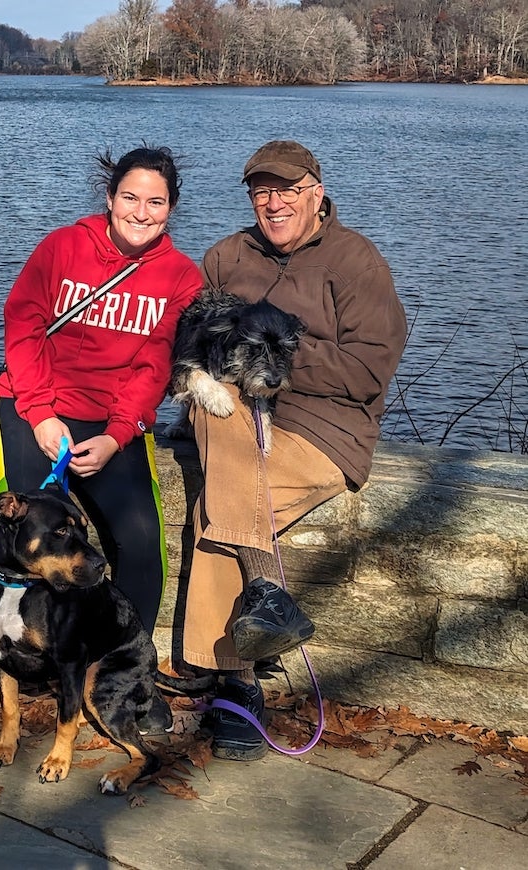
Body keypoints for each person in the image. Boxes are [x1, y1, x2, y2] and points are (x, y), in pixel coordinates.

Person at [0, 145, 203, 735]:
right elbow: (23, 325)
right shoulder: (63, 246)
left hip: (113, 422)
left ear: (171, 209)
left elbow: (154, 366)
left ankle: (126, 674)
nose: (140, 210)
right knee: (17, 531)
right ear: (109, 199)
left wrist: (117, 436)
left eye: (155, 202)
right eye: (129, 197)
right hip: (33, 406)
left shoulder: (182, 277)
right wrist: (41, 412)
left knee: (138, 541)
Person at [178, 140, 407, 761]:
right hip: (233, 419)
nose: (272, 203)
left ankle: (232, 680)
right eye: (261, 192)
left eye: (286, 190)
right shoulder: (227, 255)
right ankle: (259, 614)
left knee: (215, 512)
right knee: (213, 413)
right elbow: (190, 336)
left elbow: (369, 369)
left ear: (315, 191)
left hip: (324, 429)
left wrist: (268, 354)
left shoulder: (355, 261)